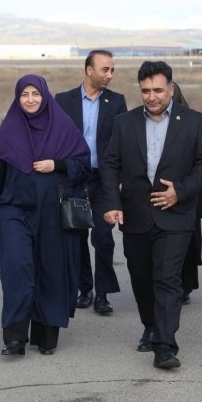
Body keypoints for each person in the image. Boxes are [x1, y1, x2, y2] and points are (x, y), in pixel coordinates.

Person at [102, 61, 202, 369]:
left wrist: (181, 190)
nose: (151, 97)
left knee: (168, 279)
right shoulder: (124, 123)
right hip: (135, 215)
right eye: (145, 91)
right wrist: (112, 203)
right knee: (141, 278)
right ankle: (151, 326)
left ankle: (165, 346)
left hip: (176, 215)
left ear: (170, 89)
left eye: (157, 90)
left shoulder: (193, 121)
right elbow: (110, 164)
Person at [0, 74, 90, 356]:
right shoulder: (10, 128)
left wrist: (57, 165)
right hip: (13, 210)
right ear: (17, 97)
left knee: (50, 270)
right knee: (17, 268)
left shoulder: (63, 127)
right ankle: (15, 337)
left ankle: (46, 334)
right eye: (25, 94)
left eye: (36, 94)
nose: (30, 99)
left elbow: (84, 165)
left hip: (52, 213)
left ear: (45, 95)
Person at [55, 50, 127, 315]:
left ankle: (103, 294)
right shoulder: (64, 101)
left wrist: (121, 179)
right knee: (77, 236)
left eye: (112, 70)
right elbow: (56, 139)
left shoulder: (116, 102)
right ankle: (84, 289)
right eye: (105, 69)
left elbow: (123, 144)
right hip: (75, 179)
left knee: (103, 237)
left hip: (104, 181)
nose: (110, 75)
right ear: (89, 70)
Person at [171, 82, 202, 306]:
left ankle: (184, 286)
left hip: (189, 193)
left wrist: (186, 186)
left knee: (187, 242)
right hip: (164, 192)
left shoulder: (194, 122)